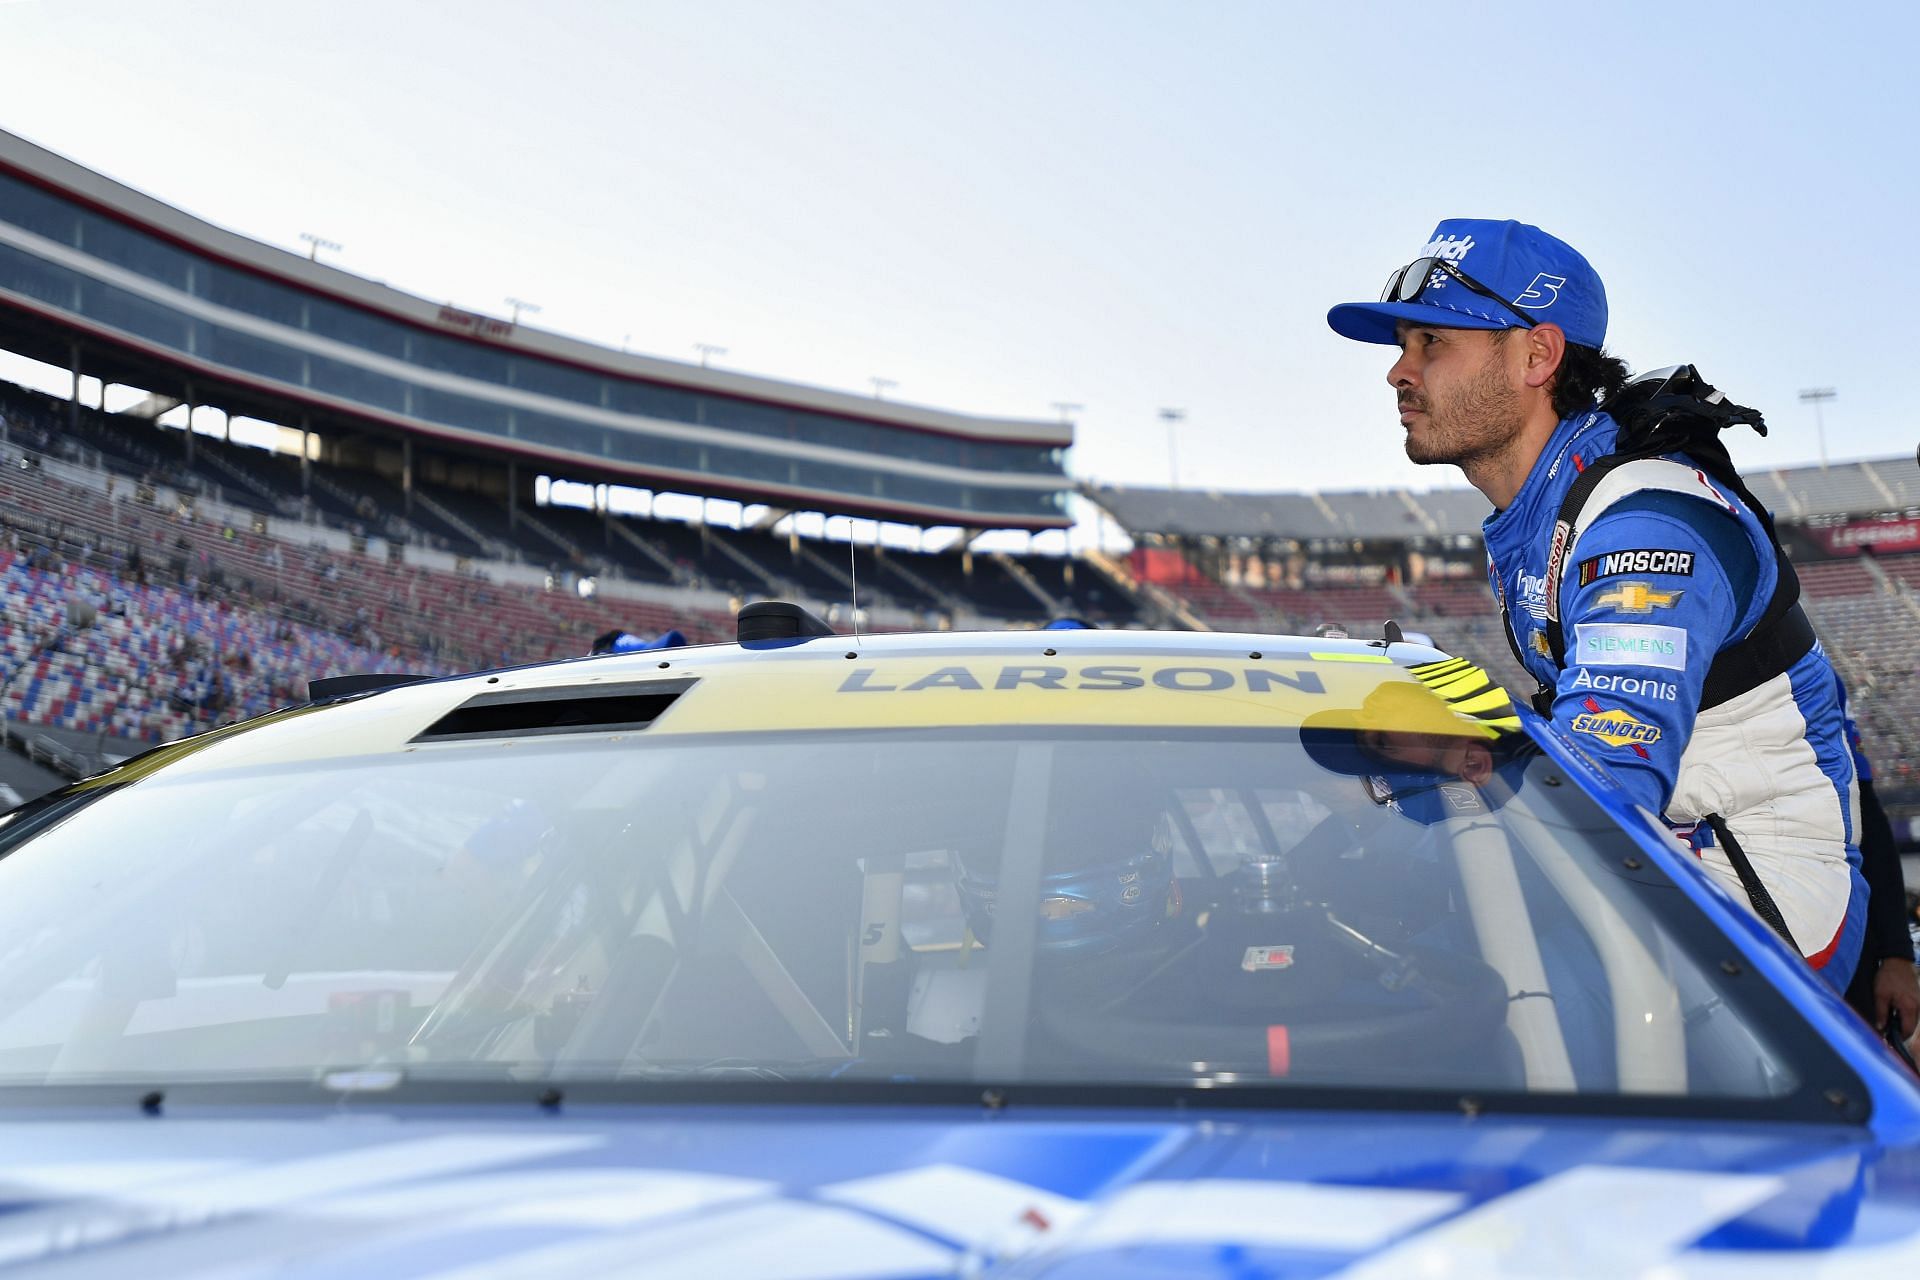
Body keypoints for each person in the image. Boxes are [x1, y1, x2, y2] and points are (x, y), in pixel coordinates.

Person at [1326, 218, 1867, 992]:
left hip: (1761, 887)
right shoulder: (1548, 505)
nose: (1398, 373)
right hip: (1668, 852)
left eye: (1433, 342)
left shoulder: (1642, 521)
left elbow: (1603, 780)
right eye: (1402, 346)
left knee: (1453, 1009)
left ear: (1538, 356)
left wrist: (1403, 844)